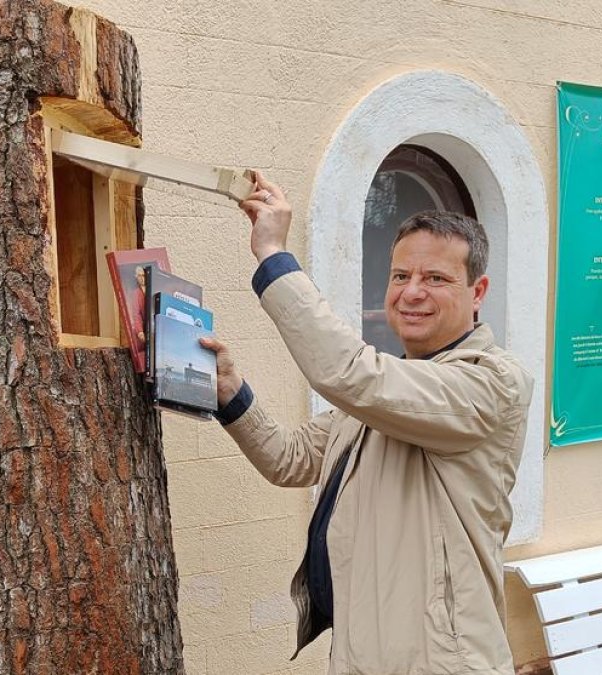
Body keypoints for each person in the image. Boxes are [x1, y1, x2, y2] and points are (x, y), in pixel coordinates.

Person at [200, 172, 533, 674]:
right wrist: (230, 391)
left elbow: (346, 373)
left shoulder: (491, 384)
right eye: (401, 276)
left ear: (478, 290)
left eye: (436, 279)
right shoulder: (389, 391)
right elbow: (289, 459)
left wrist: (273, 254)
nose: (412, 292)